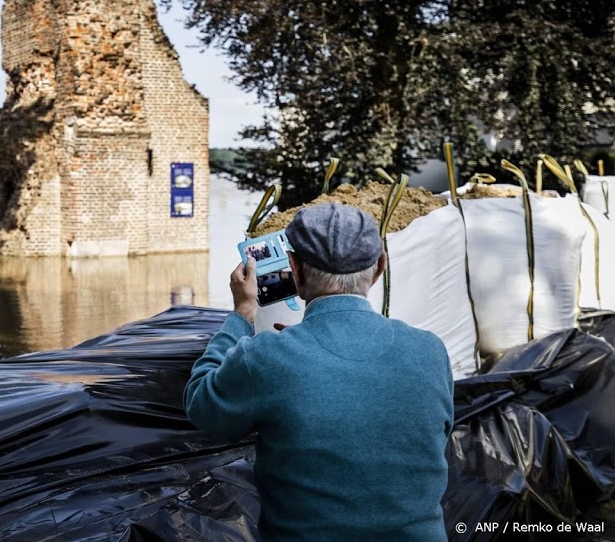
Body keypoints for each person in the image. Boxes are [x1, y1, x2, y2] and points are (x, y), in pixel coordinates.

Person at [184, 203, 453, 542]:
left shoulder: (267, 357)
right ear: (380, 266)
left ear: (293, 270)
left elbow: (201, 404)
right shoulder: (431, 350)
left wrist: (243, 313)